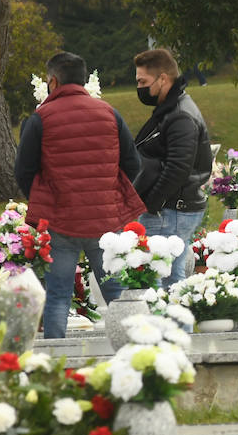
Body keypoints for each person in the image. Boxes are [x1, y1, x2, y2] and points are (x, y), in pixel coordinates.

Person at [15, 52, 145, 338]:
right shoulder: (109, 112)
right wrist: (109, 191)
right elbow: (133, 163)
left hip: (60, 221)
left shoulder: (40, 118)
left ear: (53, 82)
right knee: (117, 294)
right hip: (105, 219)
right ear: (84, 80)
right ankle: (134, 349)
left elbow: (23, 170)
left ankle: (56, 362)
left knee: (59, 295)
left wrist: (43, 198)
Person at [130, 48, 213, 286]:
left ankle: (169, 324)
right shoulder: (172, 109)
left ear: (163, 79)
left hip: (170, 209)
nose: (139, 88)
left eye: (142, 81)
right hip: (170, 207)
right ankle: (172, 324)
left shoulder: (179, 115)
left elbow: (179, 167)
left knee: (161, 281)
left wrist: (151, 203)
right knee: (168, 280)